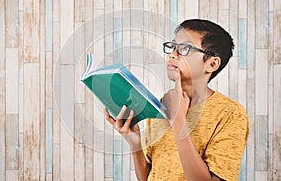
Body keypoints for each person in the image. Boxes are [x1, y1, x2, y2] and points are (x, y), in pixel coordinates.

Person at [104, 19, 249, 181]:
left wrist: (178, 121)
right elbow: (148, 177)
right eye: (173, 47)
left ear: (212, 64)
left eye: (185, 48)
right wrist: (135, 143)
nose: (173, 54)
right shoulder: (161, 106)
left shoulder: (230, 114)